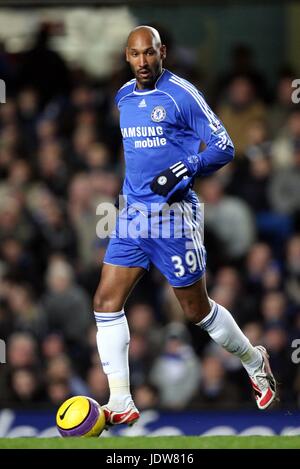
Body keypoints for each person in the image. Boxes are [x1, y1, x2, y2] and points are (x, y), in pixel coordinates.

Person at [93, 26, 277, 427]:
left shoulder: (182, 94)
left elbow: (224, 146)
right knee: (106, 304)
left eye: (150, 53)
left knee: (197, 311)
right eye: (136, 55)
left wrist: (187, 166)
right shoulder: (123, 97)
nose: (143, 62)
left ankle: (253, 358)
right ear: (127, 57)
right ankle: (121, 399)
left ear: (163, 53)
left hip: (175, 217)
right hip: (133, 216)